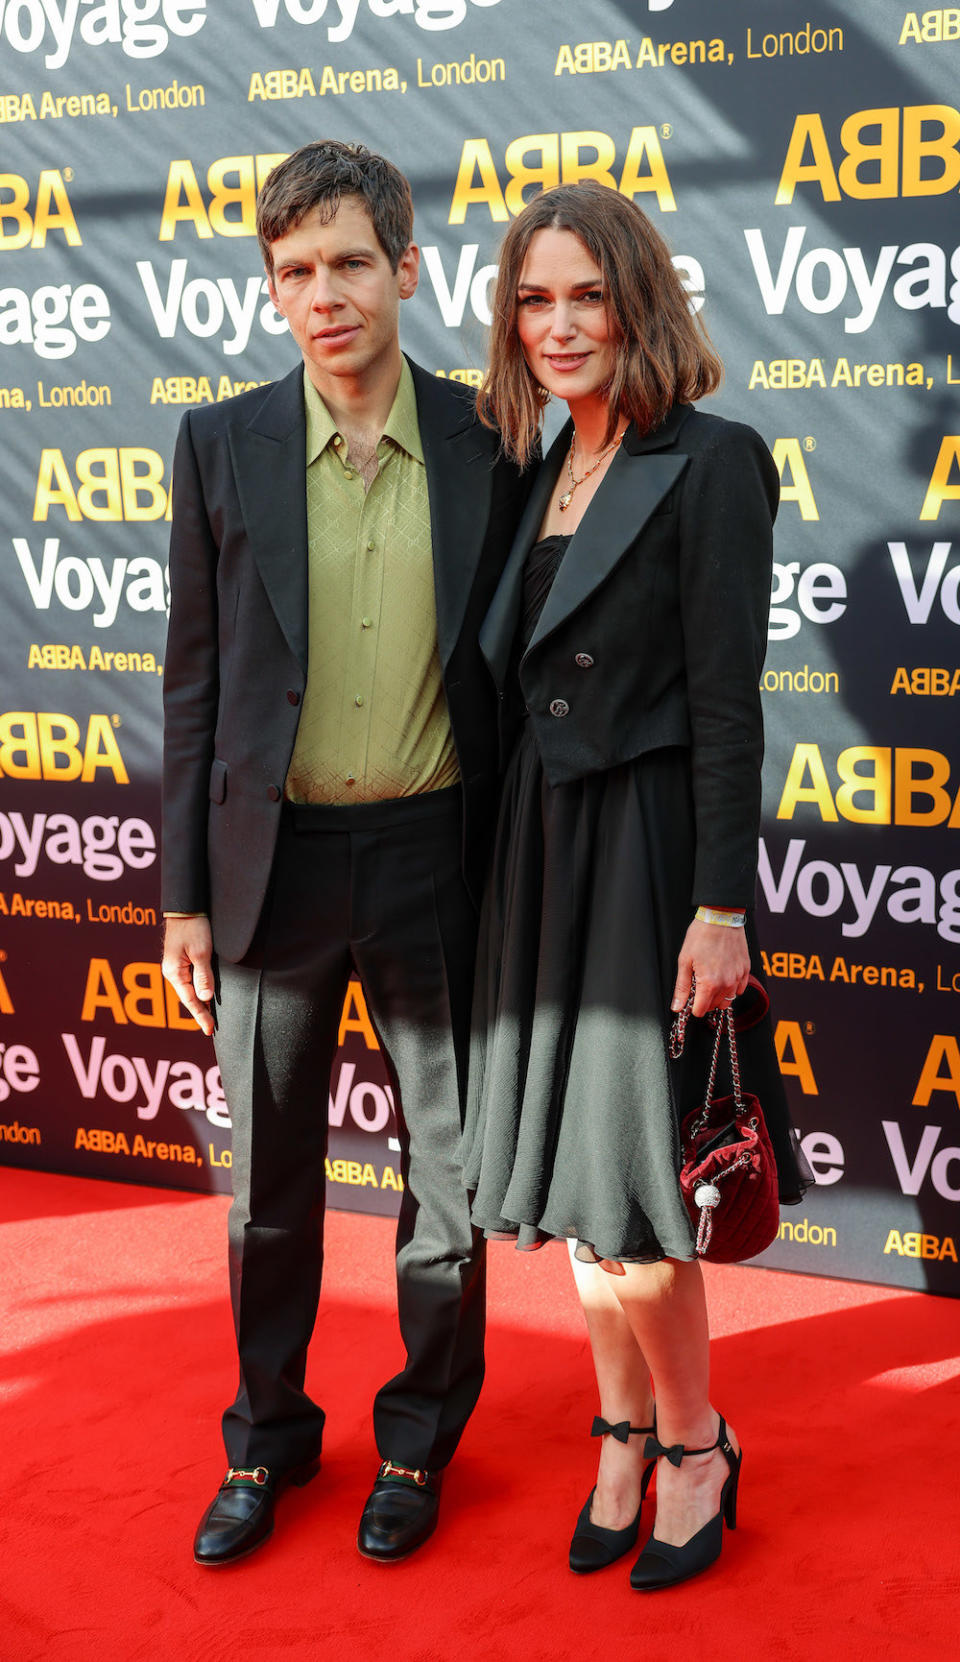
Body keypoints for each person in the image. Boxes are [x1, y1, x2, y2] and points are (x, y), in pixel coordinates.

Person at [160, 140, 530, 1568]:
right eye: (295, 270)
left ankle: (420, 1444)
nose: (323, 294)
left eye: (349, 264)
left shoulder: (490, 439)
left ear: (406, 272)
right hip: (275, 864)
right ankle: (264, 1443)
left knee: (446, 1179)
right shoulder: (221, 442)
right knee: (269, 1191)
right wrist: (182, 892)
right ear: (273, 288)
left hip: (439, 853)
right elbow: (191, 683)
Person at [461, 181, 810, 1591]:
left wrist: (720, 905)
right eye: (534, 299)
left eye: (586, 296)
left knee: (638, 1194)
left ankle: (693, 1441)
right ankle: (618, 1423)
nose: (558, 325)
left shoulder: (713, 461)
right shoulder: (536, 466)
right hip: (537, 858)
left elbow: (731, 703)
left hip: (649, 856)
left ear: (638, 303)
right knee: (572, 1188)